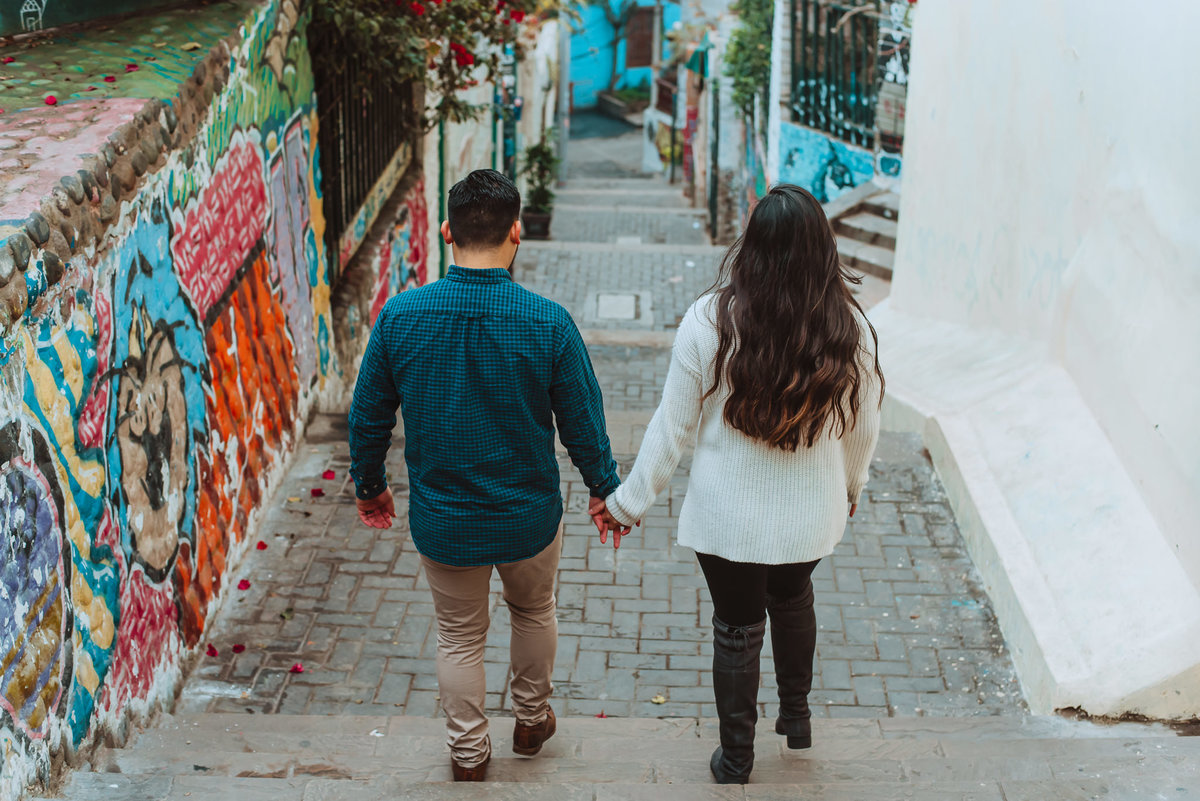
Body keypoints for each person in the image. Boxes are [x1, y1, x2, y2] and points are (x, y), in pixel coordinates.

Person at [592, 184, 884, 784]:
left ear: (751, 246)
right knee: (793, 596)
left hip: (727, 522)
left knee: (737, 628)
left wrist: (627, 503)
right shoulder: (849, 326)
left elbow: (672, 427)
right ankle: (796, 718)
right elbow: (864, 423)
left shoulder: (709, 320)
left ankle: (736, 759)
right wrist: (852, 487)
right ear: (822, 248)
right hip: (811, 519)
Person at [348, 169, 621, 782]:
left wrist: (370, 486)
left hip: (444, 520)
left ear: (447, 232)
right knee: (534, 611)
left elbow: (368, 417)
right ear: (516, 233)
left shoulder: (401, 317)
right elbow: (584, 422)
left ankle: (469, 754)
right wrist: (604, 489)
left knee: (458, 637)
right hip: (528, 518)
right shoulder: (548, 322)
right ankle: (531, 720)